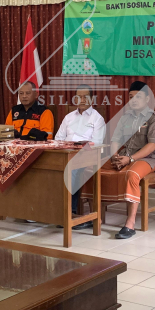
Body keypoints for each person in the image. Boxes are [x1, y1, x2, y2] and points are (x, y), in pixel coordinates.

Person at [97, 81, 155, 240]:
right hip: (124, 156)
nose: (134, 100)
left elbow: (152, 146)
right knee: (94, 170)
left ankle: (130, 223)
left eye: (138, 97)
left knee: (132, 174)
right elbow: (115, 139)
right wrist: (115, 155)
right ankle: (97, 217)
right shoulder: (125, 118)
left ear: (147, 99)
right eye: (131, 97)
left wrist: (130, 159)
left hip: (146, 160)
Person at [55, 85, 106, 230]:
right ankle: (49, 209)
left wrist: (78, 151)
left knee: (72, 169)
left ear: (92, 99)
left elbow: (97, 142)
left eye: (85, 97)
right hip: (65, 153)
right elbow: (58, 138)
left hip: (87, 156)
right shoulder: (69, 117)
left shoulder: (97, 118)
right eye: (79, 97)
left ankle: (68, 212)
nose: (82, 100)